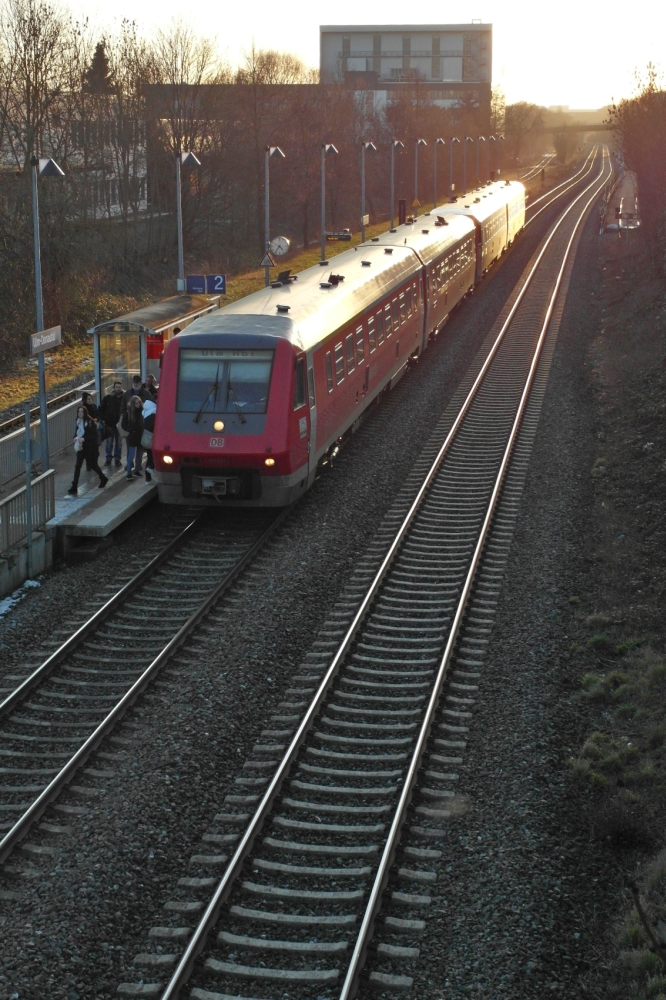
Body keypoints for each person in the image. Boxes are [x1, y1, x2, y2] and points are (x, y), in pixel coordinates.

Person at [67, 406, 108, 495]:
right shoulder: (78, 422)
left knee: (92, 465)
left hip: (90, 447)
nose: (80, 413)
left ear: (85, 413)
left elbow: (94, 435)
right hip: (81, 448)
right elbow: (76, 432)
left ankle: (103, 477)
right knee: (77, 466)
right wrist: (75, 438)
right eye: (78, 412)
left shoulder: (90, 422)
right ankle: (74, 486)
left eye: (81, 412)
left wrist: (84, 439)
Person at [98, 380, 124, 467]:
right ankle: (108, 459)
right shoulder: (108, 398)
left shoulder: (124, 399)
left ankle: (117, 459)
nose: (118, 389)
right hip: (109, 425)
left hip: (119, 425)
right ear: (114, 388)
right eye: (116, 387)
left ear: (121, 388)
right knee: (109, 443)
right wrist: (102, 419)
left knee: (118, 443)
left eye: (119, 387)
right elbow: (101, 409)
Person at [121, 394, 144, 480]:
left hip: (139, 435)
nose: (138, 405)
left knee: (139, 455)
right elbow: (123, 424)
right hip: (132, 436)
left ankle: (136, 470)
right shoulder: (128, 413)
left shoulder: (142, 411)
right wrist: (131, 430)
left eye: (139, 403)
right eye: (136, 403)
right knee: (131, 455)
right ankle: (129, 473)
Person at [141, 397, 156, 482]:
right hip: (152, 438)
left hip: (145, 437)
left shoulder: (144, 411)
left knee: (149, 457)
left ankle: (148, 479)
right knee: (152, 457)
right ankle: (151, 468)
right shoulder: (154, 412)